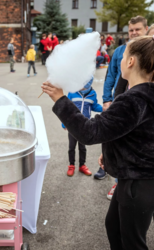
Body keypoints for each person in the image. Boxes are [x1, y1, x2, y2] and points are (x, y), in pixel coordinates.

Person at [42, 34, 154, 250]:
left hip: (137, 183)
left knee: (131, 242)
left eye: (122, 56)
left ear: (130, 61)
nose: (118, 60)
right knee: (113, 226)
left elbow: (89, 132)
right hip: (136, 180)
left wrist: (60, 99)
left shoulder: (132, 100)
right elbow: (135, 133)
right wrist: (112, 151)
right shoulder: (143, 96)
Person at [94, 16, 148, 187]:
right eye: (131, 30)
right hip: (120, 100)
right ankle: (109, 170)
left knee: (133, 143)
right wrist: (107, 99)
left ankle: (123, 181)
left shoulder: (149, 52)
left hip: (139, 103)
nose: (133, 33)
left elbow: (88, 131)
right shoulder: (119, 51)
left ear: (145, 29)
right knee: (112, 136)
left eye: (137, 29)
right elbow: (111, 76)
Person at [63, 77, 102, 177]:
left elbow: (94, 106)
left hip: (85, 125)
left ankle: (82, 165)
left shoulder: (93, 94)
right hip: (72, 125)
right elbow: (67, 108)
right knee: (71, 147)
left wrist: (104, 108)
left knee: (82, 147)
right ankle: (71, 165)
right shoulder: (72, 92)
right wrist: (64, 122)